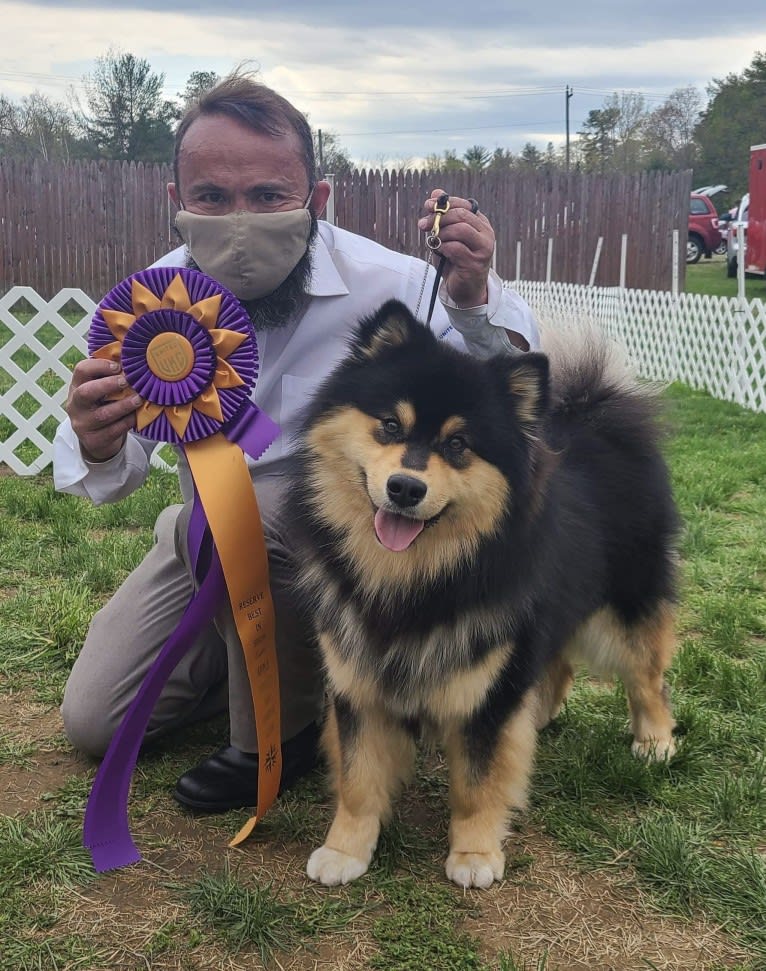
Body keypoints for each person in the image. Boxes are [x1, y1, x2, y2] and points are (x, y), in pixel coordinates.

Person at [53, 72, 540, 813]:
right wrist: (93, 441)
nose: (239, 219)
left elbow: (502, 395)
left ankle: (277, 737)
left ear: (317, 199)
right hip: (202, 538)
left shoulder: (399, 283)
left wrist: (474, 298)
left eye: (268, 196)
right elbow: (114, 477)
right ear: (175, 203)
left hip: (357, 537)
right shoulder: (150, 303)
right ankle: (259, 647)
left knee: (246, 507)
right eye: (211, 197)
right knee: (95, 720)